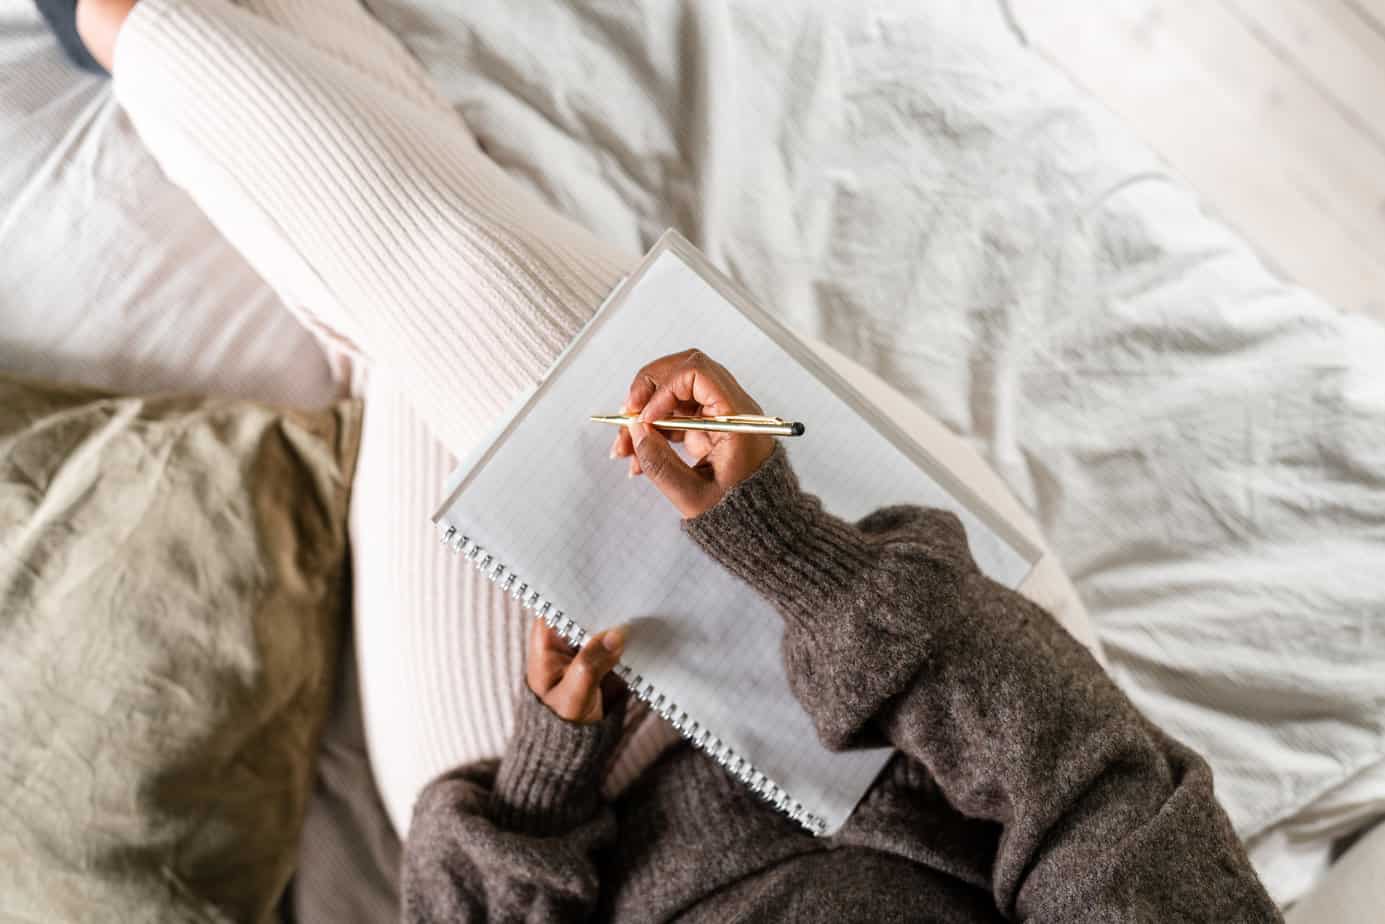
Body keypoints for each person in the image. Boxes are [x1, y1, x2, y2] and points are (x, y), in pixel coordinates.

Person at [50, 2, 1281, 919]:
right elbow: (1090, 789)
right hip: (906, 695)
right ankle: (124, 18)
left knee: (392, 334)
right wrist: (790, 551)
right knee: (442, 263)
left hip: (560, 804)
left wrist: (542, 782)